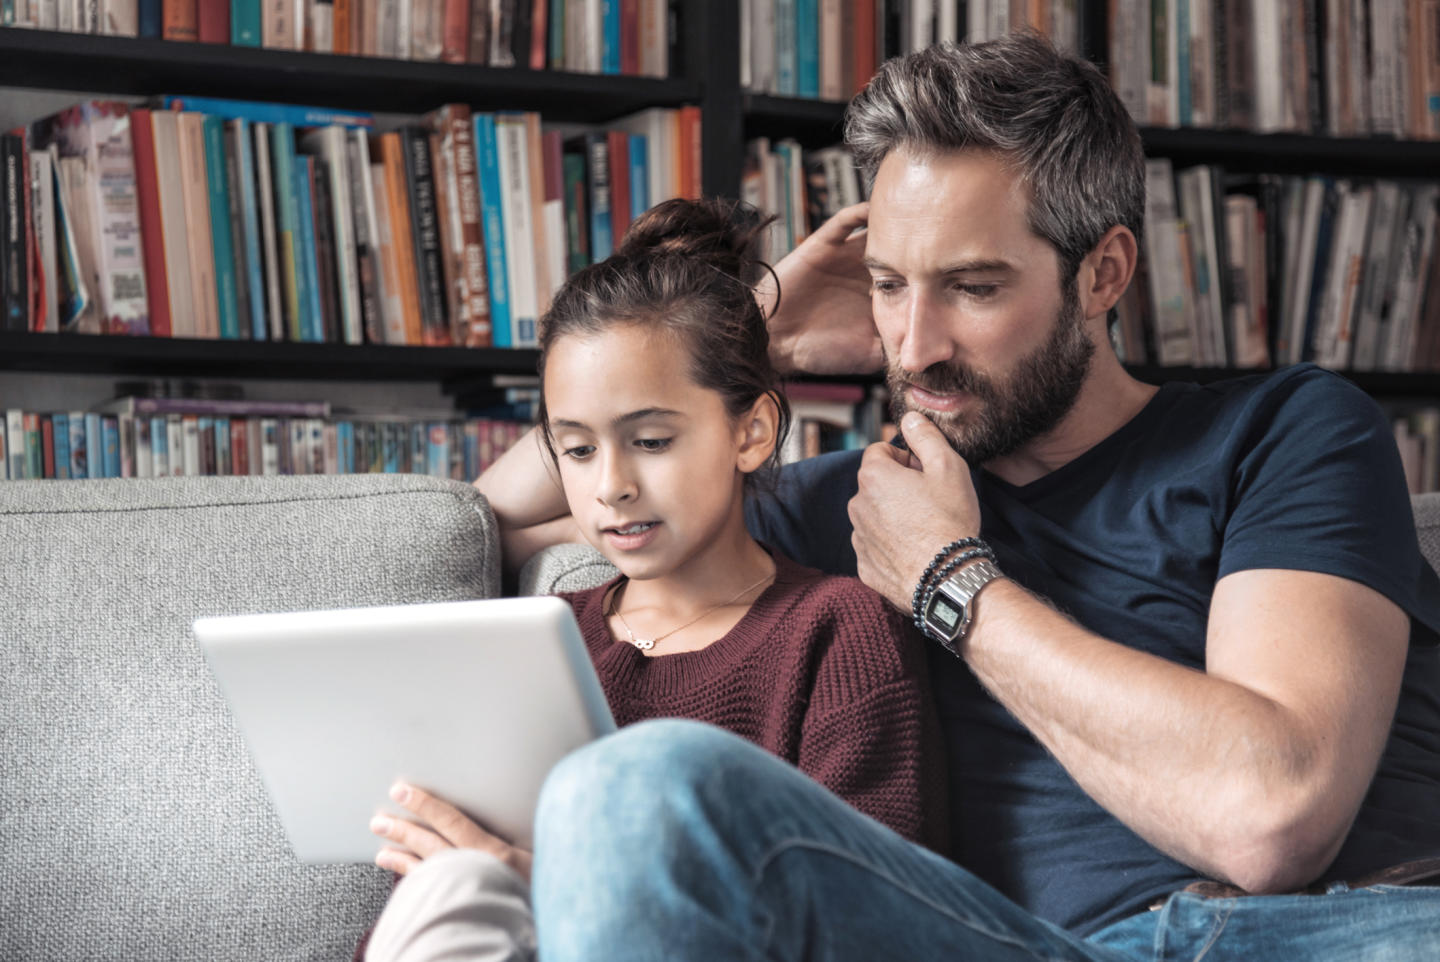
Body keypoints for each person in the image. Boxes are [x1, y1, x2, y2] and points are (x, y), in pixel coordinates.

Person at [522, 33, 1440, 961]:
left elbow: (1271, 816)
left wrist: (948, 582)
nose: (914, 346)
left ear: (1103, 274)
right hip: (1013, 947)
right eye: (888, 285)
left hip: (1332, 932)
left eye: (970, 287)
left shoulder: (1284, 432)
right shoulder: (854, 503)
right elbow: (500, 511)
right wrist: (734, 337)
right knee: (632, 788)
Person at [359, 197, 948, 962]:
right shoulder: (543, 634)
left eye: (650, 440)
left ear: (753, 431)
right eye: (576, 450)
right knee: (452, 889)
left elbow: (867, 917)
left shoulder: (838, 629)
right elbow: (454, 534)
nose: (612, 485)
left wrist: (546, 884)